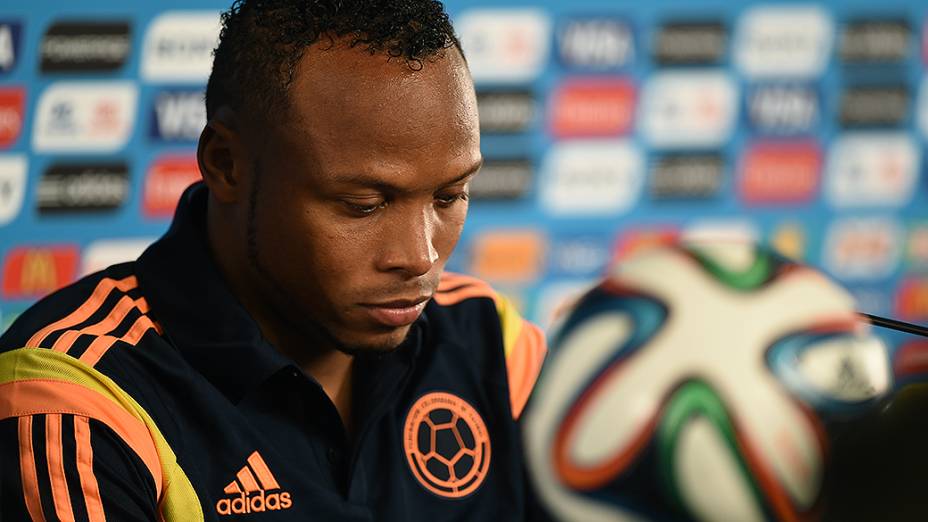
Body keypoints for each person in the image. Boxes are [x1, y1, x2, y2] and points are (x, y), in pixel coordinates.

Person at [0, 1, 546, 519]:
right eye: (363, 206)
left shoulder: (489, 339)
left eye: (449, 197)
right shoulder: (75, 399)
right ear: (226, 165)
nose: (419, 256)